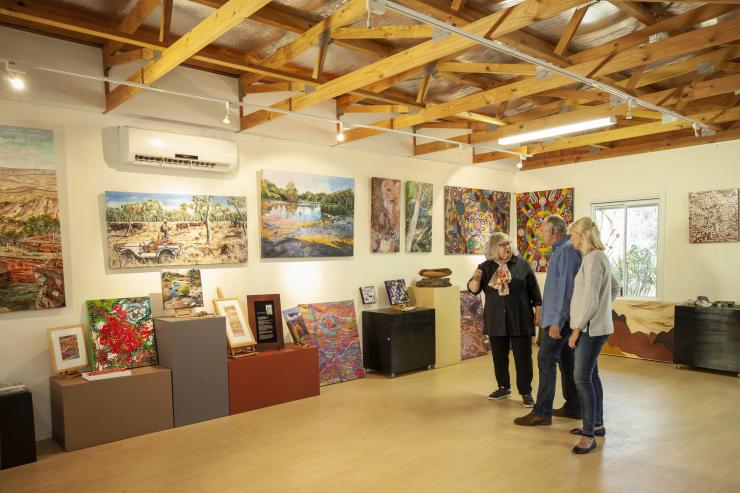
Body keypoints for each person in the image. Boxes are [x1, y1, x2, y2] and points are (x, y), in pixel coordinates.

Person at [514, 215, 582, 427]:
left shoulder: (566, 251)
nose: (540, 233)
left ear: (553, 232)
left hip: (560, 320)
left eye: (543, 230)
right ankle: (574, 406)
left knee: (545, 359)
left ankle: (542, 412)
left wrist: (557, 321)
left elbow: (566, 290)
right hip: (560, 318)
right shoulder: (562, 251)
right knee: (566, 361)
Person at [468, 232, 542, 407]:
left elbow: (536, 294)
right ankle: (503, 387)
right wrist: (477, 274)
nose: (507, 247)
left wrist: (538, 314)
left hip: (520, 318)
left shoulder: (522, 264)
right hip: (496, 320)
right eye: (502, 244)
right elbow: (473, 289)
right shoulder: (485, 267)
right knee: (499, 357)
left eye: (508, 243)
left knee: (523, 357)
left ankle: (526, 392)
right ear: (494, 248)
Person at [567, 217, 620, 455]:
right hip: (595, 326)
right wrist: (602, 312)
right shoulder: (596, 258)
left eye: (573, 235)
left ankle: (588, 435)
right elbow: (616, 286)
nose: (571, 239)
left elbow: (590, 299)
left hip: (590, 329)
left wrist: (577, 328)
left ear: (583, 236)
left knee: (581, 379)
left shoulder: (593, 258)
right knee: (592, 375)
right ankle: (596, 425)